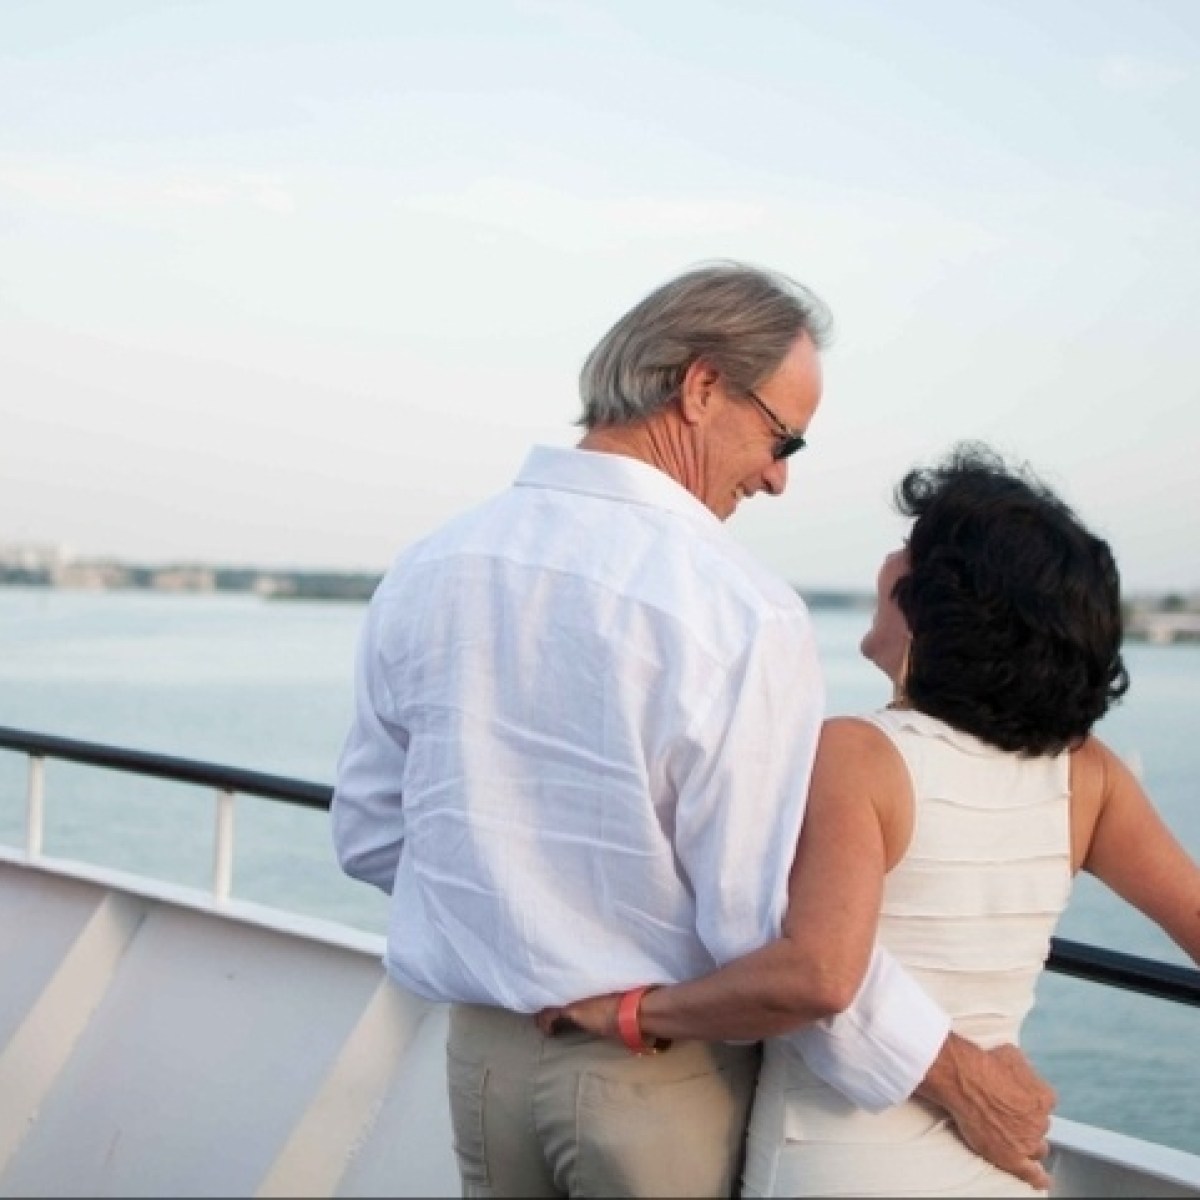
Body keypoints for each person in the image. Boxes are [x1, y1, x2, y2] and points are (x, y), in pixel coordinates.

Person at [330, 266, 1053, 1199]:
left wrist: (520, 921)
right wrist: (954, 1072)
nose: (779, 477)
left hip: (482, 1062)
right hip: (655, 1075)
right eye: (783, 437)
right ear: (703, 386)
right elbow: (763, 930)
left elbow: (370, 834)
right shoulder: (738, 609)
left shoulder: (431, 566)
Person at [538, 443, 1200, 1197]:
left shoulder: (859, 754)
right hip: (997, 1172)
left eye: (906, 552)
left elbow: (816, 977)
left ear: (936, 604)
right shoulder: (1089, 774)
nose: (886, 565)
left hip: (842, 1166)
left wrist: (629, 1013)